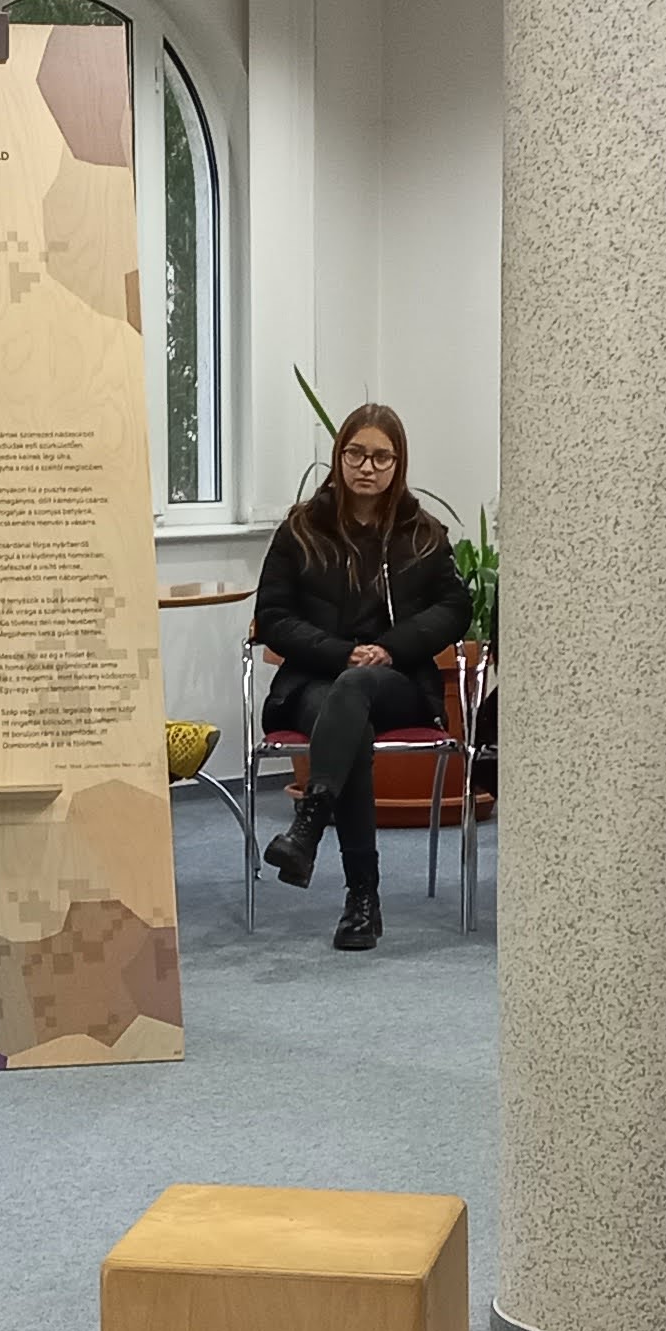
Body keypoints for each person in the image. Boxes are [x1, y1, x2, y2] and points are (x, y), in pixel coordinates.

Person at [251, 402, 472, 952]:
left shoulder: (424, 534)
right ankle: (362, 900)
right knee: (349, 718)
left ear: (398, 463)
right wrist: (342, 654)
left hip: (397, 683)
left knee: (354, 694)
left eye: (380, 457)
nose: (366, 467)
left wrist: (389, 649)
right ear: (339, 456)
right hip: (313, 682)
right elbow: (273, 616)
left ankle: (309, 826)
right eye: (355, 453)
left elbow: (455, 608)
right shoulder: (301, 530)